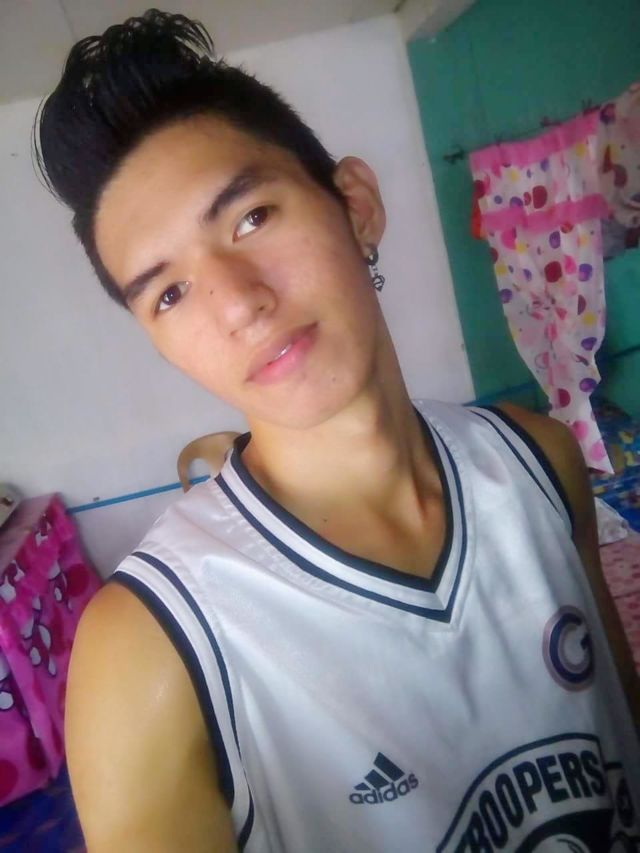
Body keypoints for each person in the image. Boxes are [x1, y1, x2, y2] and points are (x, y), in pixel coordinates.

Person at [34, 10, 640, 852]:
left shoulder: (541, 462)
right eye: (169, 293)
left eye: (250, 219)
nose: (239, 305)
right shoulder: (150, 649)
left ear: (356, 205)